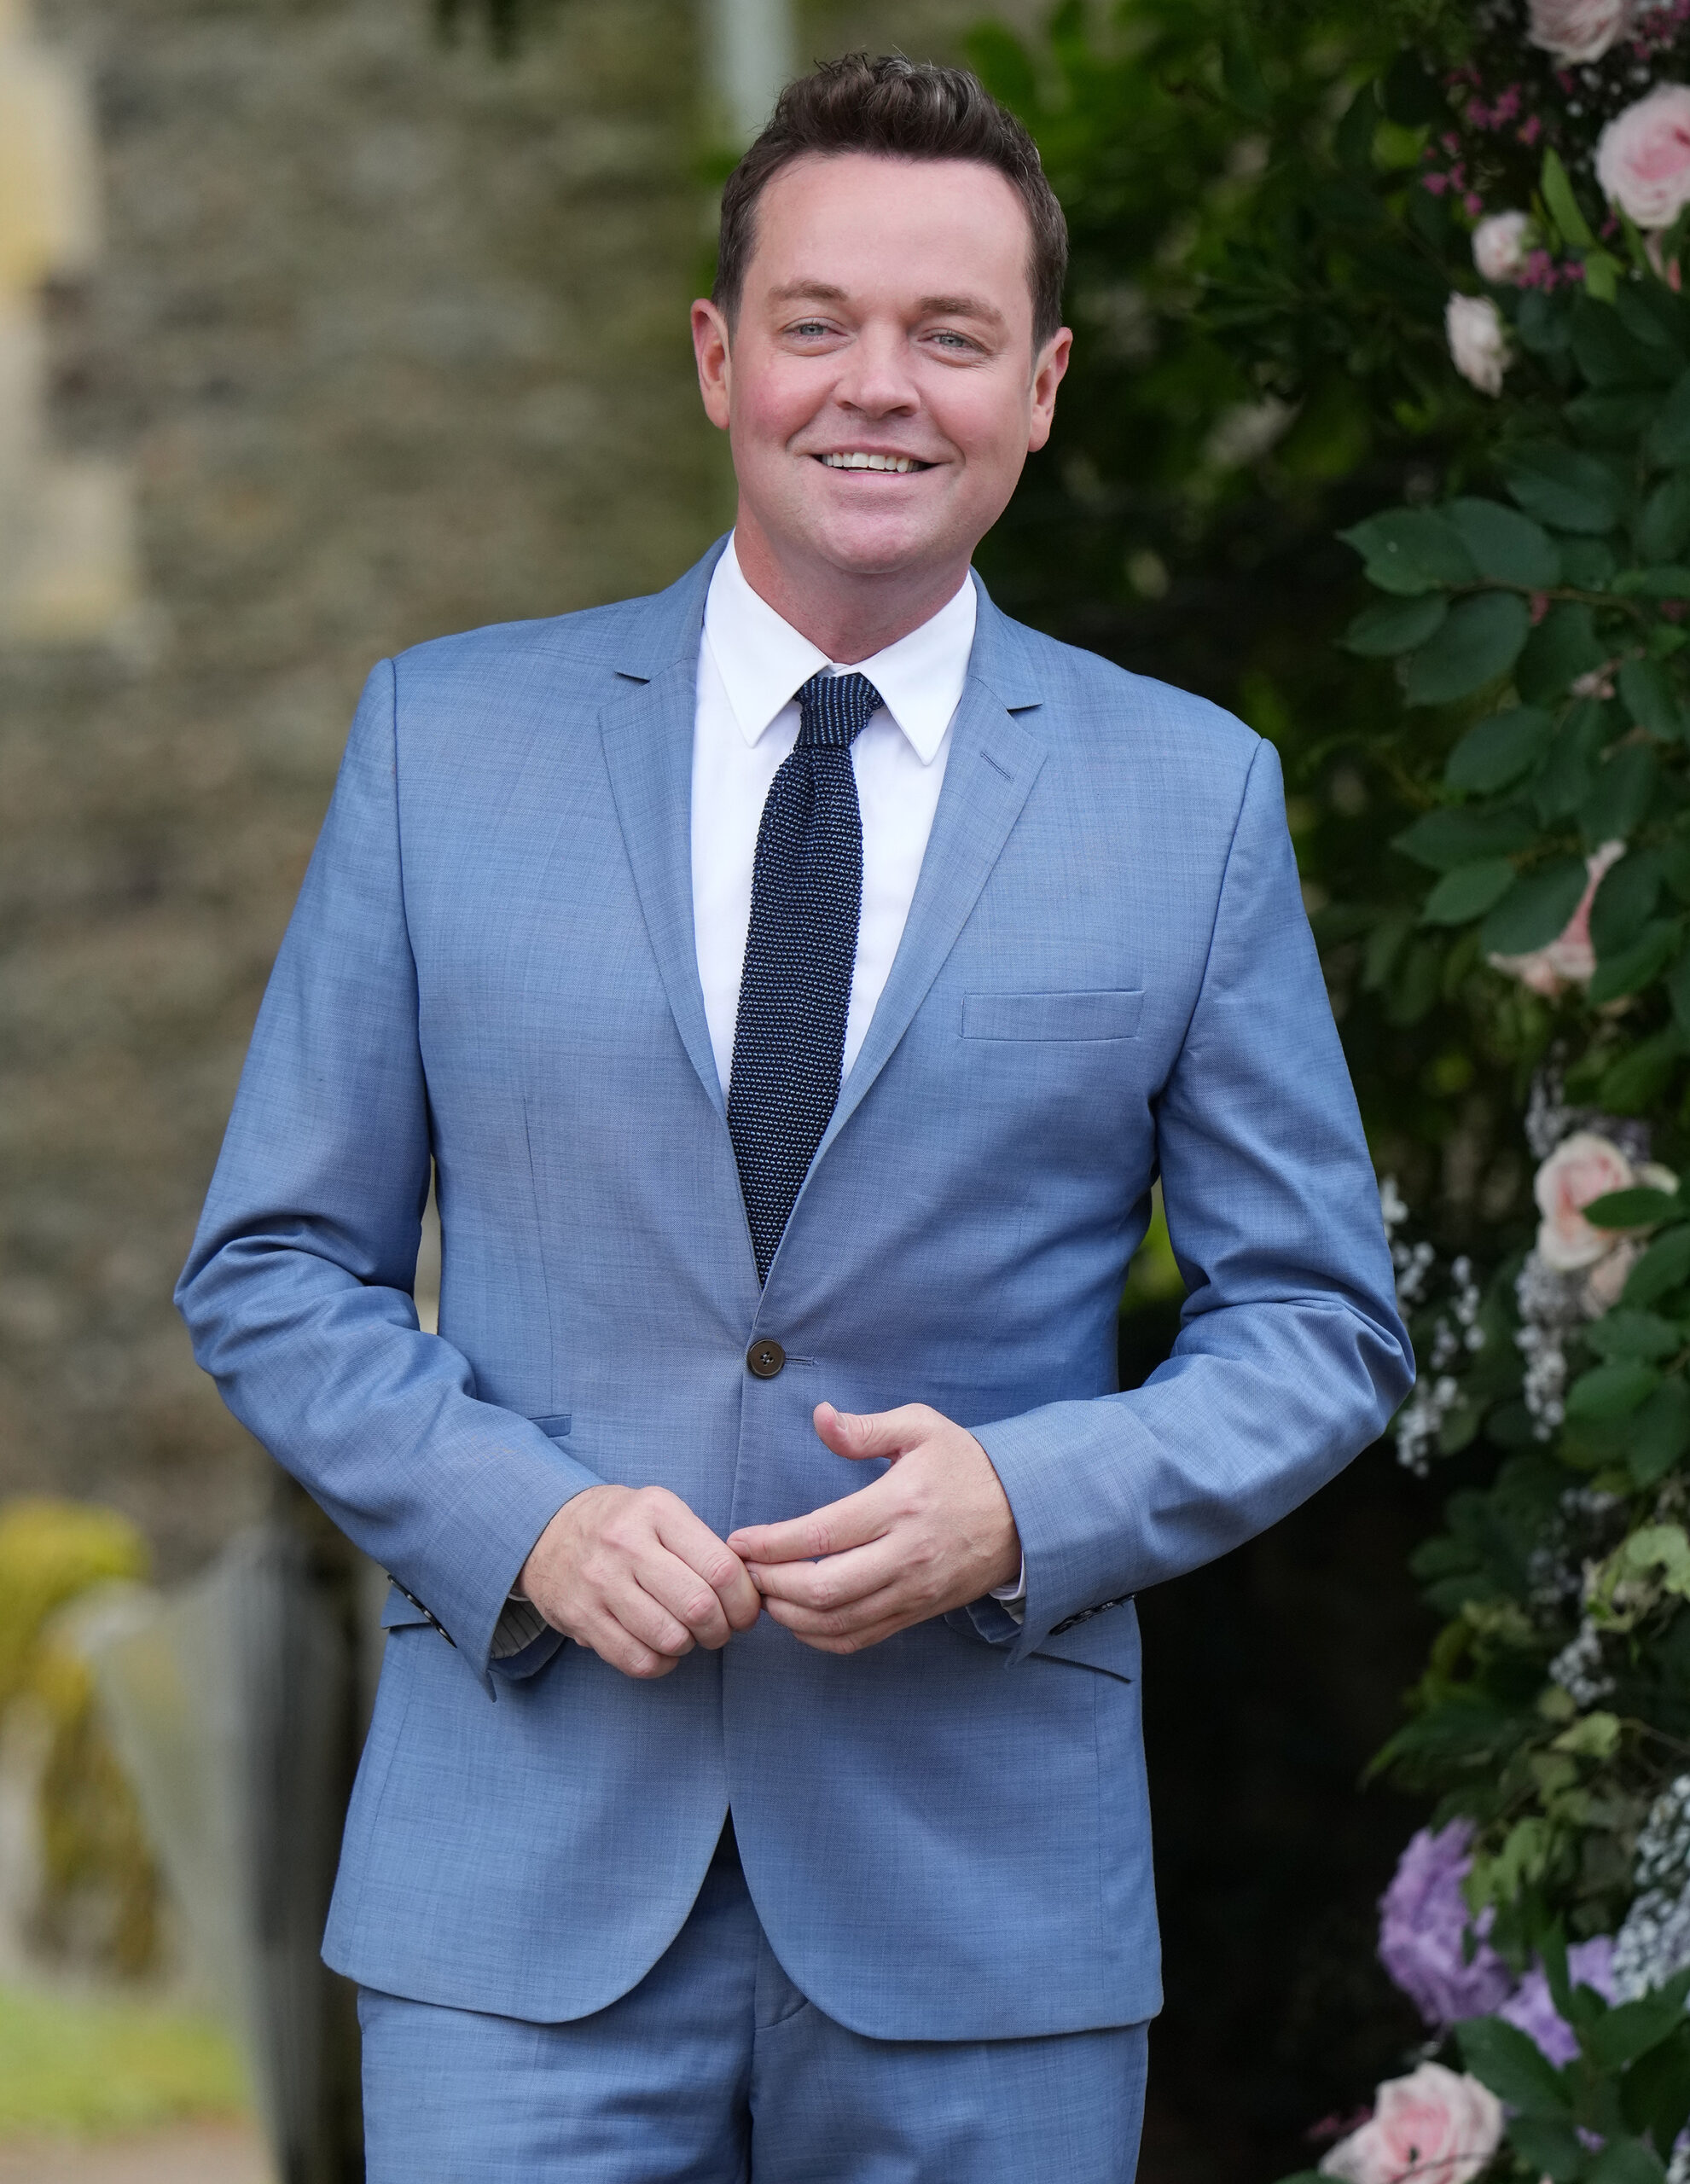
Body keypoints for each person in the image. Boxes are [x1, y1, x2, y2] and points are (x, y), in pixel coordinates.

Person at [177, 51, 1413, 2184]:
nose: (877, 387)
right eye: (819, 321)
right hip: (516, 1892)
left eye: (948, 336)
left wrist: (1026, 1502)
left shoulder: (1187, 795)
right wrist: (525, 1520)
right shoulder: (442, 741)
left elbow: (1318, 1317)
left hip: (979, 1905)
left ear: (1037, 387)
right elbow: (276, 1265)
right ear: (716, 356)